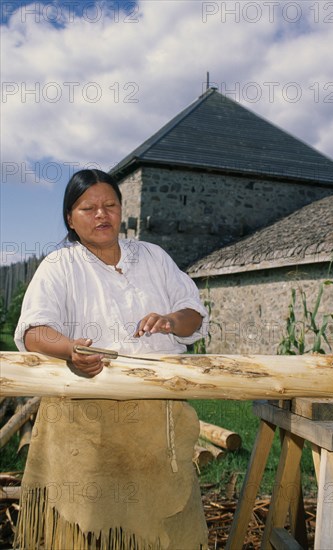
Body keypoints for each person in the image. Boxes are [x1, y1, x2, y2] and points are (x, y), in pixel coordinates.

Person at [14, 169, 209, 549]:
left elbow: (194, 315)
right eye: (88, 208)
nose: (101, 215)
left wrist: (170, 321)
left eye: (109, 205)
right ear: (70, 218)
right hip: (85, 421)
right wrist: (70, 348)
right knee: (89, 525)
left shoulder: (153, 257)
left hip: (158, 417)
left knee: (159, 519)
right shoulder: (59, 267)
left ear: (121, 210)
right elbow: (34, 330)